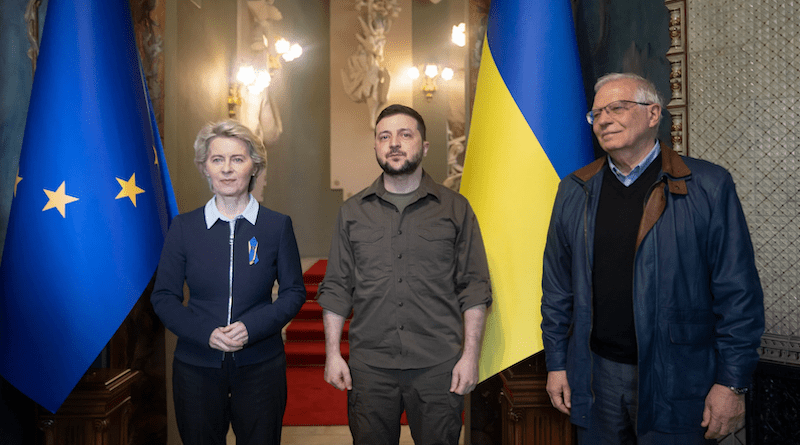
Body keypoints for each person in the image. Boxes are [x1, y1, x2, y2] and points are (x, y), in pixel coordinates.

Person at [541, 73, 765, 444]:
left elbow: (738, 293)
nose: (605, 119)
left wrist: (732, 383)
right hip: (597, 378)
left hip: (678, 379)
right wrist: (557, 364)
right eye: (596, 113)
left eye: (617, 108)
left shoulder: (708, 186)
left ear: (653, 114)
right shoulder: (574, 189)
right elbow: (557, 288)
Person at [318, 104, 492, 445]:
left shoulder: (456, 209)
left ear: (424, 147)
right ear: (376, 147)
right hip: (370, 369)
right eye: (384, 136)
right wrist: (332, 353)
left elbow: (474, 287)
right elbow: (337, 287)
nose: (394, 143)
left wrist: (470, 357)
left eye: (405, 134)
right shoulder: (352, 213)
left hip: (437, 367)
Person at [151, 120, 305, 445]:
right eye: (217, 159)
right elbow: (164, 297)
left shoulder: (277, 227)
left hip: (261, 365)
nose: (226, 169)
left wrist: (253, 327)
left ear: (254, 166)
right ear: (205, 168)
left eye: (237, 159)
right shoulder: (183, 228)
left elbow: (293, 293)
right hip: (196, 367)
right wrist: (205, 333)